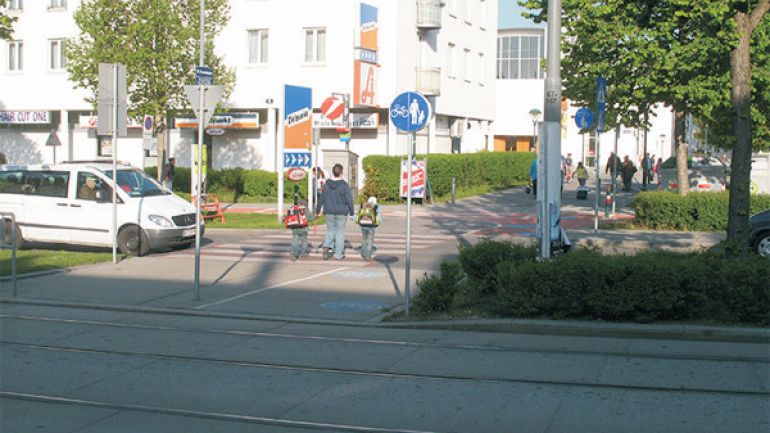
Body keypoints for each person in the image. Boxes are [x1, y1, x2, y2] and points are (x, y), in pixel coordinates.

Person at [315, 163, 354, 260]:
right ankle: (338, 254)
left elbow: (322, 198)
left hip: (329, 211)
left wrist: (317, 210)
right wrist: (351, 211)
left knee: (330, 231)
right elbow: (349, 199)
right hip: (341, 212)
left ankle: (326, 246)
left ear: (332, 172)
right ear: (341, 173)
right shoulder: (344, 185)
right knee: (340, 233)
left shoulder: (326, 184)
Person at [356, 196, 382, 261]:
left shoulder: (364, 205)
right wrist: (378, 223)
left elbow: (358, 215)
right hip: (372, 226)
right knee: (370, 240)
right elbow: (379, 217)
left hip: (363, 225)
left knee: (364, 239)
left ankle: (364, 253)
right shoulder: (376, 206)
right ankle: (368, 256)